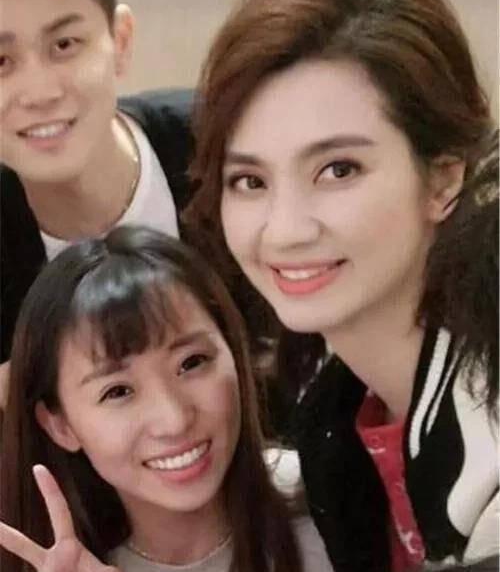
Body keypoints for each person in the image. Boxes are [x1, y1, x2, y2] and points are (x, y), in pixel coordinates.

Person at [185, 0, 499, 572]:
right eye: (249, 180)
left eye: (338, 170)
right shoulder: (336, 419)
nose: (285, 229)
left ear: (443, 177)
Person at [0, 225, 332, 572]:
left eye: (192, 363)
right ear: (60, 425)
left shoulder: (329, 499)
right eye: (118, 391)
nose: (174, 420)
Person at [0, 0, 193, 364]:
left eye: (64, 45)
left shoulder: (220, 144)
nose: (40, 93)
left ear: (120, 41)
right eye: (1, 62)